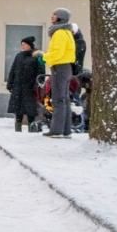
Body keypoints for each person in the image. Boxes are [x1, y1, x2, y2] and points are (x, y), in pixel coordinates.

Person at [43, 8, 77, 138]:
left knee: (58, 99)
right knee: (65, 99)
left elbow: (57, 53)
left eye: (54, 14)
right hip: (65, 67)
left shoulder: (59, 33)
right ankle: (66, 130)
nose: (52, 16)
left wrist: (44, 57)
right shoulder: (66, 32)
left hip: (60, 67)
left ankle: (57, 130)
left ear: (60, 17)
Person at [6, 36, 42, 132]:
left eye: (24, 44)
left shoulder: (36, 56)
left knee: (31, 111)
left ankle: (32, 129)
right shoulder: (19, 56)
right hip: (18, 87)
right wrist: (10, 83)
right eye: (21, 45)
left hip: (30, 88)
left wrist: (37, 85)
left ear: (29, 45)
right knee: (18, 110)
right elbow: (13, 70)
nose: (22, 46)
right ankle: (17, 130)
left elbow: (40, 72)